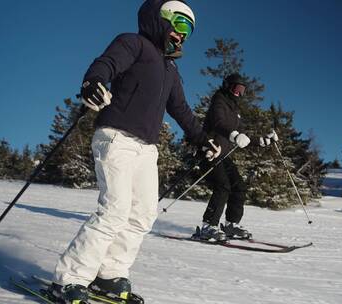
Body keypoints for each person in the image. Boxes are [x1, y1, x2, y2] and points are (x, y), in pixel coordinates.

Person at [49, 1, 221, 303]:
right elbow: (106, 63)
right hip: (116, 136)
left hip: (146, 148)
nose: (183, 35)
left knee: (142, 215)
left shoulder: (170, 69)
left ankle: (109, 275)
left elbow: (181, 110)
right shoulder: (134, 43)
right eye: (180, 24)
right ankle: (69, 279)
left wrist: (202, 139)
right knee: (114, 209)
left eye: (189, 30)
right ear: (160, 19)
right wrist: (94, 82)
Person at [196, 73, 279, 242]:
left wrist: (263, 140)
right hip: (210, 152)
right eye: (236, 88)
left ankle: (231, 224)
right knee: (222, 186)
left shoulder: (235, 110)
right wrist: (234, 135)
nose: (239, 93)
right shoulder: (218, 100)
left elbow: (243, 136)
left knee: (239, 186)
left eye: (242, 90)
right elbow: (219, 123)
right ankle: (208, 227)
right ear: (227, 86)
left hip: (224, 155)